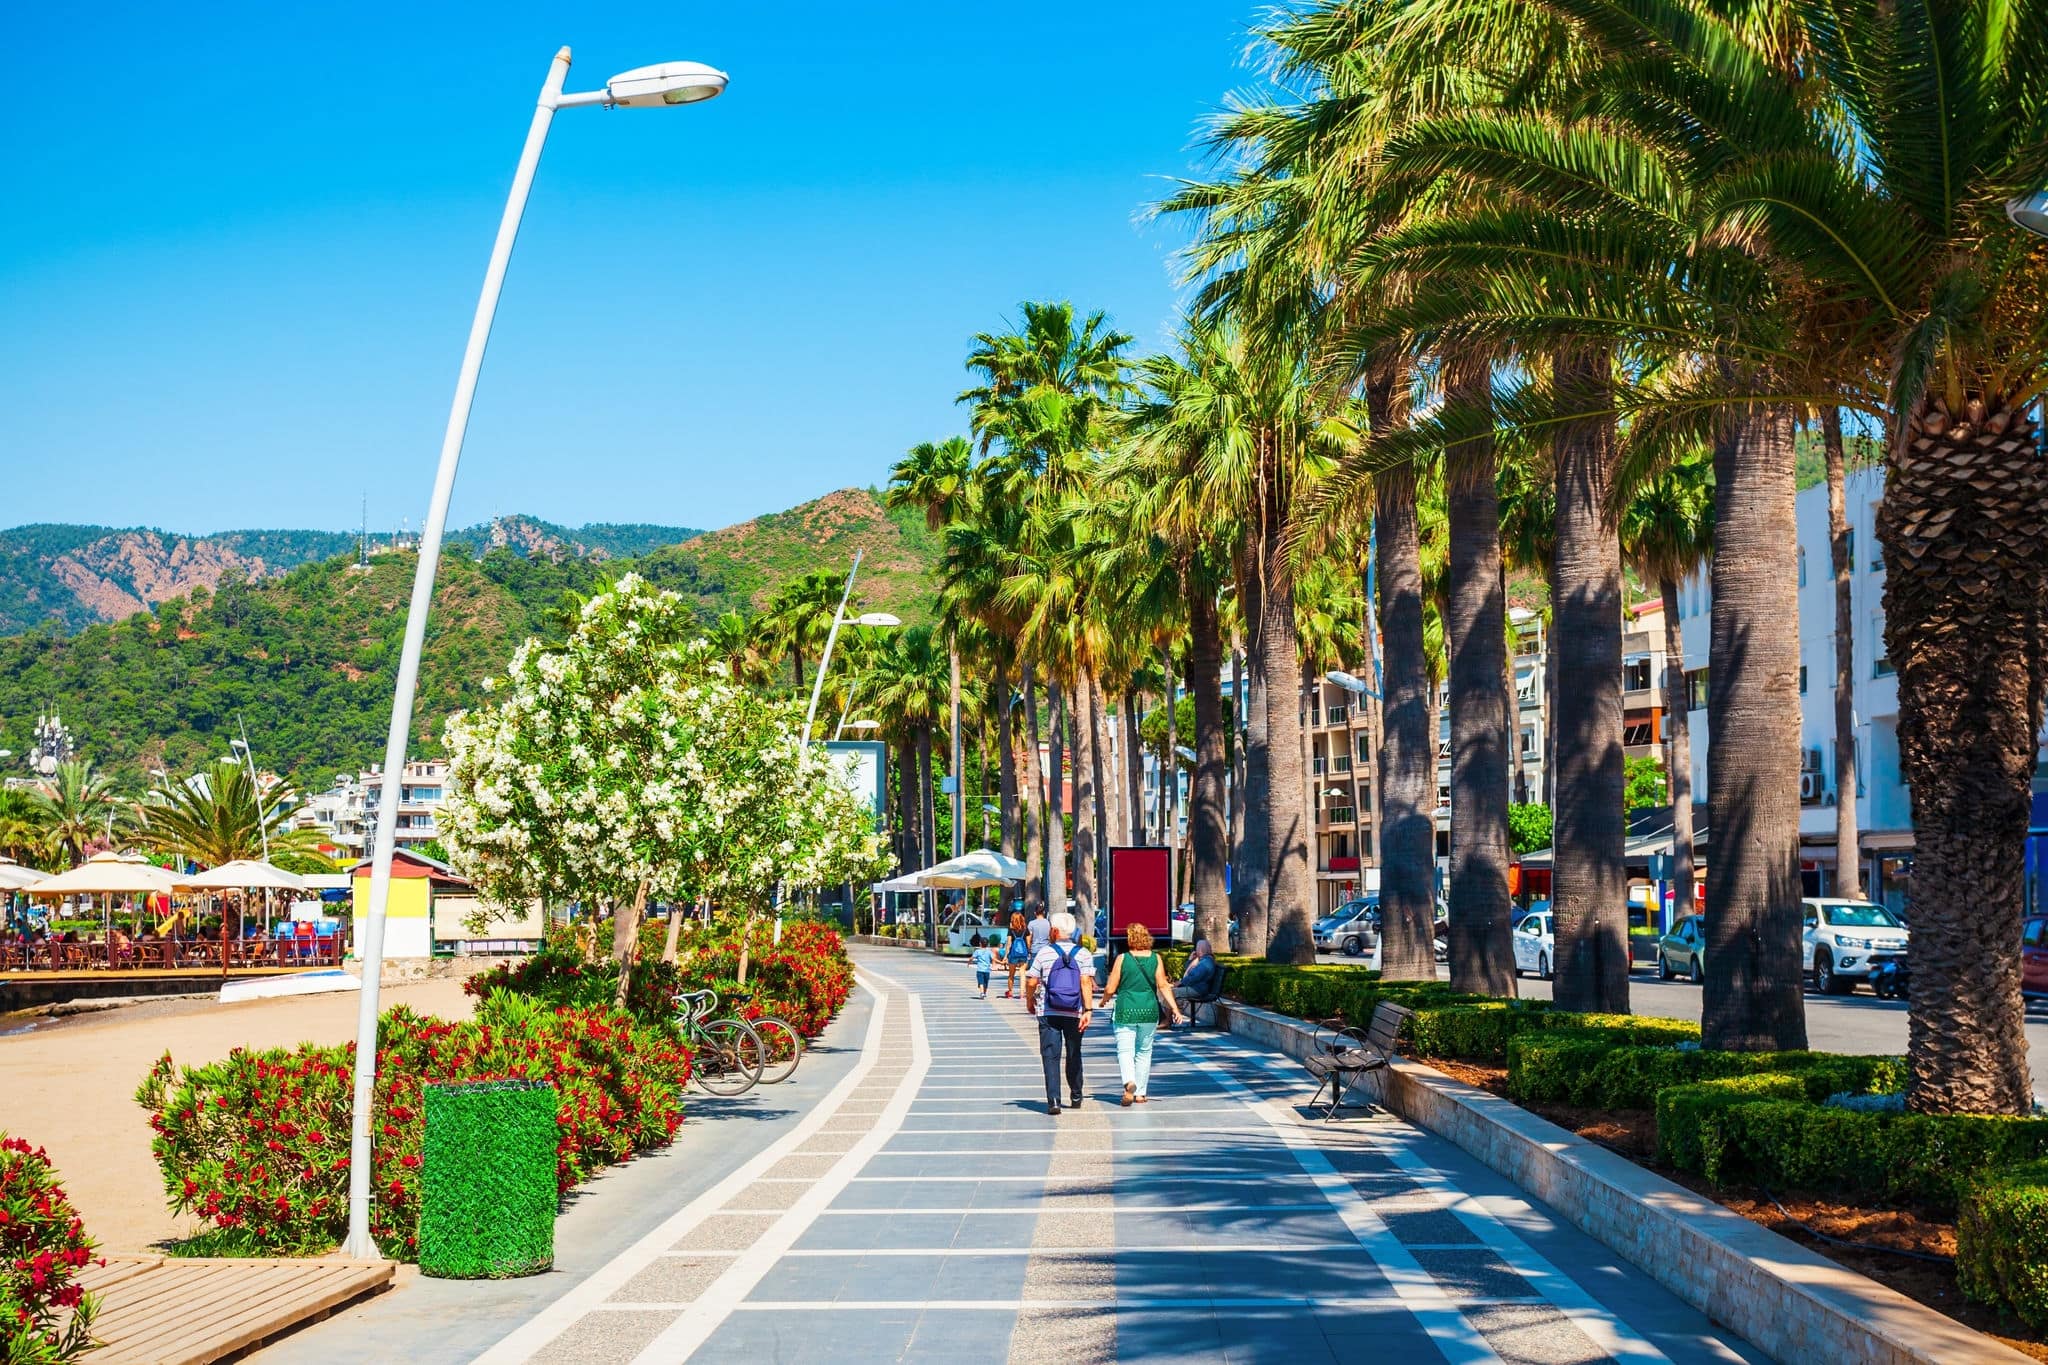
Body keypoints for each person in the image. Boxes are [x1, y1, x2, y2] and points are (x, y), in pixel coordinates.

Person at [1100, 924, 1180, 1105]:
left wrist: (1104, 1000)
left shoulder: (1122, 958)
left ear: (1130, 939)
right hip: (1149, 1011)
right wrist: (1174, 1008)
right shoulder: (1156, 958)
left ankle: (1129, 1082)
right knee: (1144, 1051)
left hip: (1126, 1009)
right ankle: (1141, 1093)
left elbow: (1110, 988)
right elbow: (1163, 985)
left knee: (1125, 1050)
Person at [1024, 911, 1094, 1116]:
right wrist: (1088, 1010)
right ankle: (1076, 1095)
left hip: (1049, 1011)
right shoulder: (1083, 954)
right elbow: (1085, 982)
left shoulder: (1044, 953)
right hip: (1075, 1011)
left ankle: (1054, 1100)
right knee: (1074, 1052)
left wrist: (1030, 1000)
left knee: (1050, 1055)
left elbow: (1031, 981)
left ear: (1054, 930)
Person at [1174, 938, 1223, 1030]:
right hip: (1197, 988)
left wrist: (1180, 983)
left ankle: (1168, 1020)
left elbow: (1192, 978)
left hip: (1198, 990)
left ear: (1200, 950)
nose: (1195, 951)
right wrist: (1190, 960)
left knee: (1171, 993)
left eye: (1196, 948)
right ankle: (1168, 1019)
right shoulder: (1204, 960)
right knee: (1170, 992)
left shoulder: (1205, 963)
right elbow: (1189, 973)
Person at [1003, 913, 1031, 999]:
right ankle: (1022, 993)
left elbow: (1008, 943)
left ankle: (1010, 992)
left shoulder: (1011, 930)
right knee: (1022, 973)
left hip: (1013, 954)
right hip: (1023, 954)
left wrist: (1005, 956)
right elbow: (1028, 943)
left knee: (1011, 974)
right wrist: (1029, 952)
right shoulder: (1025, 929)